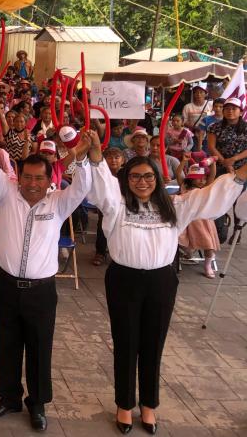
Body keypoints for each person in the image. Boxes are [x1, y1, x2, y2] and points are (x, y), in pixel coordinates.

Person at [85, 132, 247, 434]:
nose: (142, 181)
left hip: (161, 281)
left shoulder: (176, 205)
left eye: (148, 176)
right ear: (126, 179)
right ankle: (124, 404)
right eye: (135, 176)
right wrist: (95, 152)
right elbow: (102, 183)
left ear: (158, 179)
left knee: (153, 344)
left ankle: (148, 405)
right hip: (123, 279)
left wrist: (241, 173)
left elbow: (211, 197)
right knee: (125, 342)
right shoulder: (116, 205)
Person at [0, 129, 92, 433]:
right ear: (19, 176)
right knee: (6, 344)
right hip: (6, 285)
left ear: (48, 179)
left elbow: (83, 186)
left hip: (41, 291)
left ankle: (37, 404)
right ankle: (9, 398)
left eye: (39, 178)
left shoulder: (59, 203)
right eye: (27, 176)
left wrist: (80, 154)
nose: (32, 183)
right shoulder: (7, 193)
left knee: (40, 347)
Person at [208, 98, 247, 173]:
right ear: (223, 111)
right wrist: (226, 164)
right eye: (227, 109)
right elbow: (211, 147)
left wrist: (234, 159)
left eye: (234, 109)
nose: (230, 111)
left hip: (243, 167)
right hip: (219, 166)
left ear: (241, 112)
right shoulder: (213, 127)